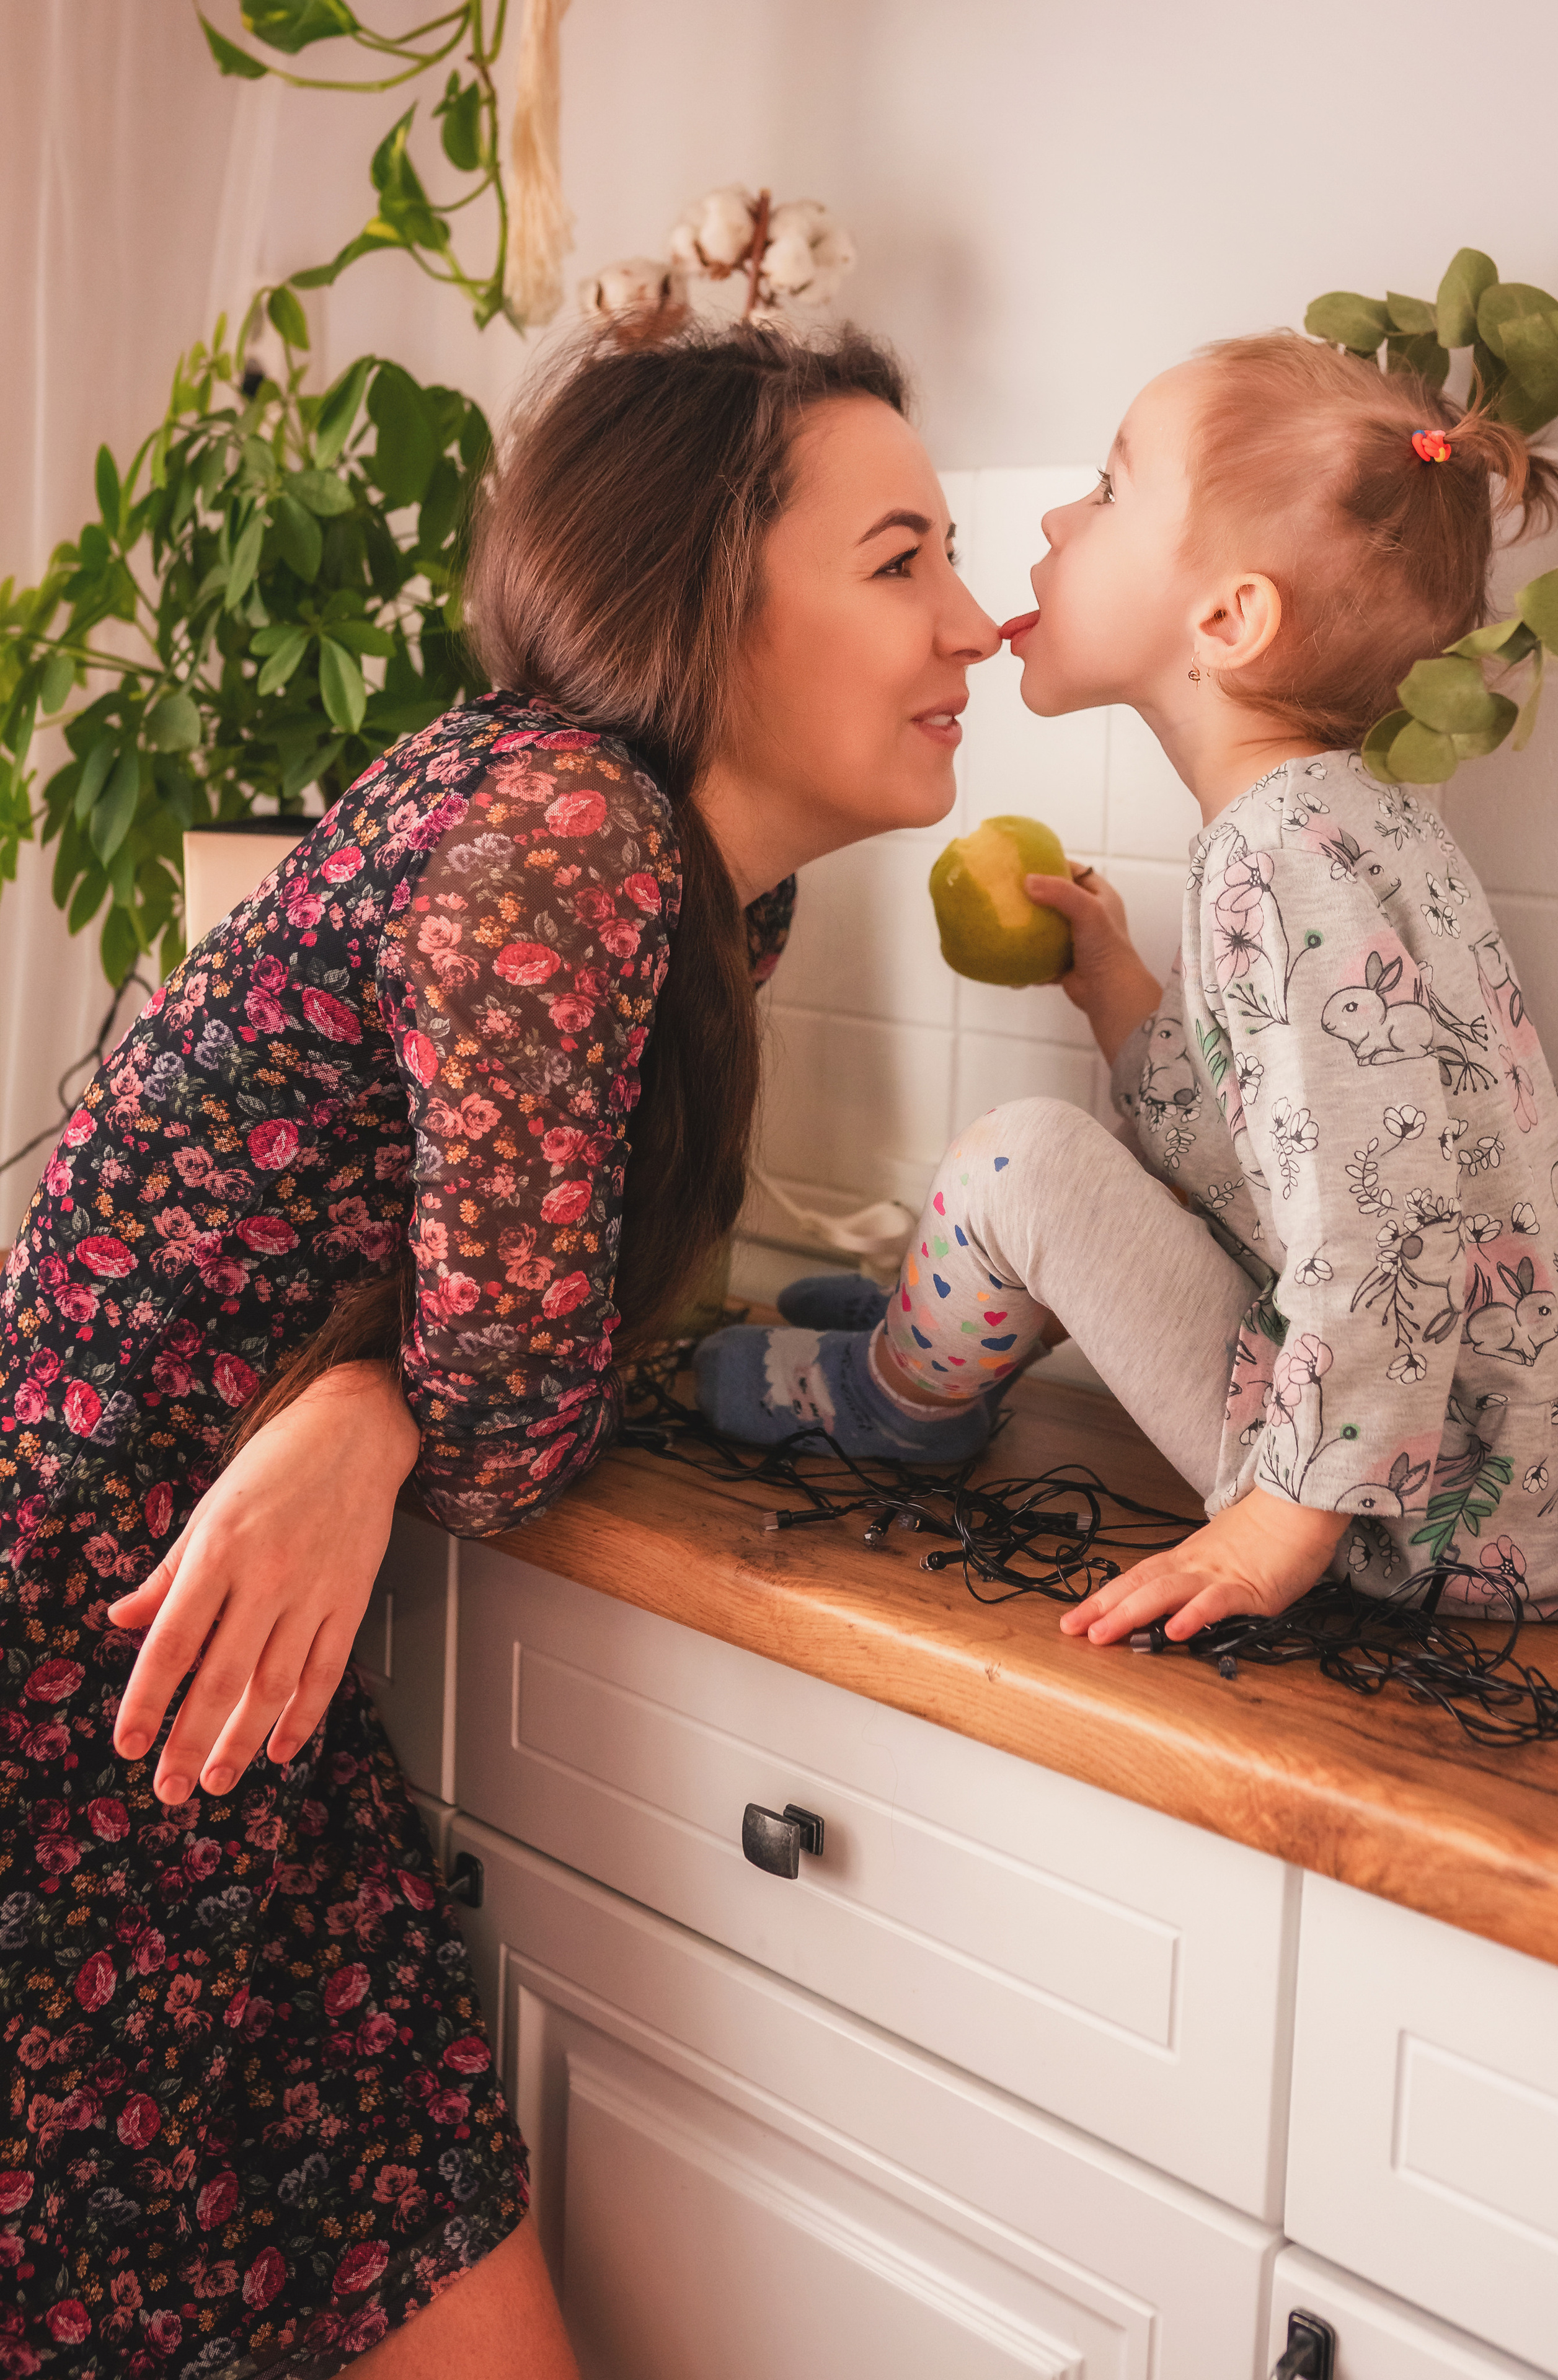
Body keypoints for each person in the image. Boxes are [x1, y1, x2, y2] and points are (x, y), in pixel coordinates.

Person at [0, 322, 999, 2374]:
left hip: (210, 1690)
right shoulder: (565, 825)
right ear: (708, 592)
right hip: (91, 1698)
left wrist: (364, 1400)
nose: (975, 625)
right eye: (902, 560)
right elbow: (522, 1403)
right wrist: (385, 1401)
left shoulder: (699, 894)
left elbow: (518, 1343)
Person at [699, 331, 1558, 1635]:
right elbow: (1278, 1167)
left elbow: (1380, 1228)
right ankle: (940, 1318)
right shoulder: (1347, 824)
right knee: (1064, 1172)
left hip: (1409, 1514)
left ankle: (898, 1395)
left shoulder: (1276, 863)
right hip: (1488, 1479)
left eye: (1108, 491)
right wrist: (1115, 989)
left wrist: (1277, 1525)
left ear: (1226, 619)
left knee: (1024, 1159)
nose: (1057, 515)